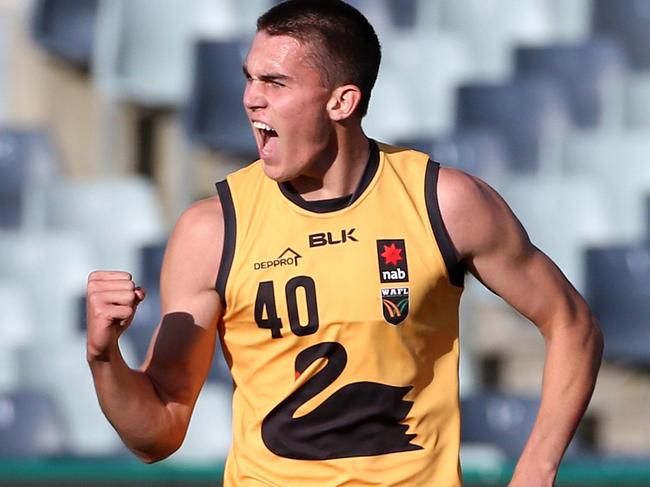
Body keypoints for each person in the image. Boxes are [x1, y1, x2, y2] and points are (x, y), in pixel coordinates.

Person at [86, 1, 603, 485]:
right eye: (249, 77)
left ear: (342, 100)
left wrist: (536, 468)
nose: (250, 97)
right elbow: (157, 434)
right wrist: (104, 356)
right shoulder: (214, 228)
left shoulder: (443, 202)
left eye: (275, 81)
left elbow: (572, 324)